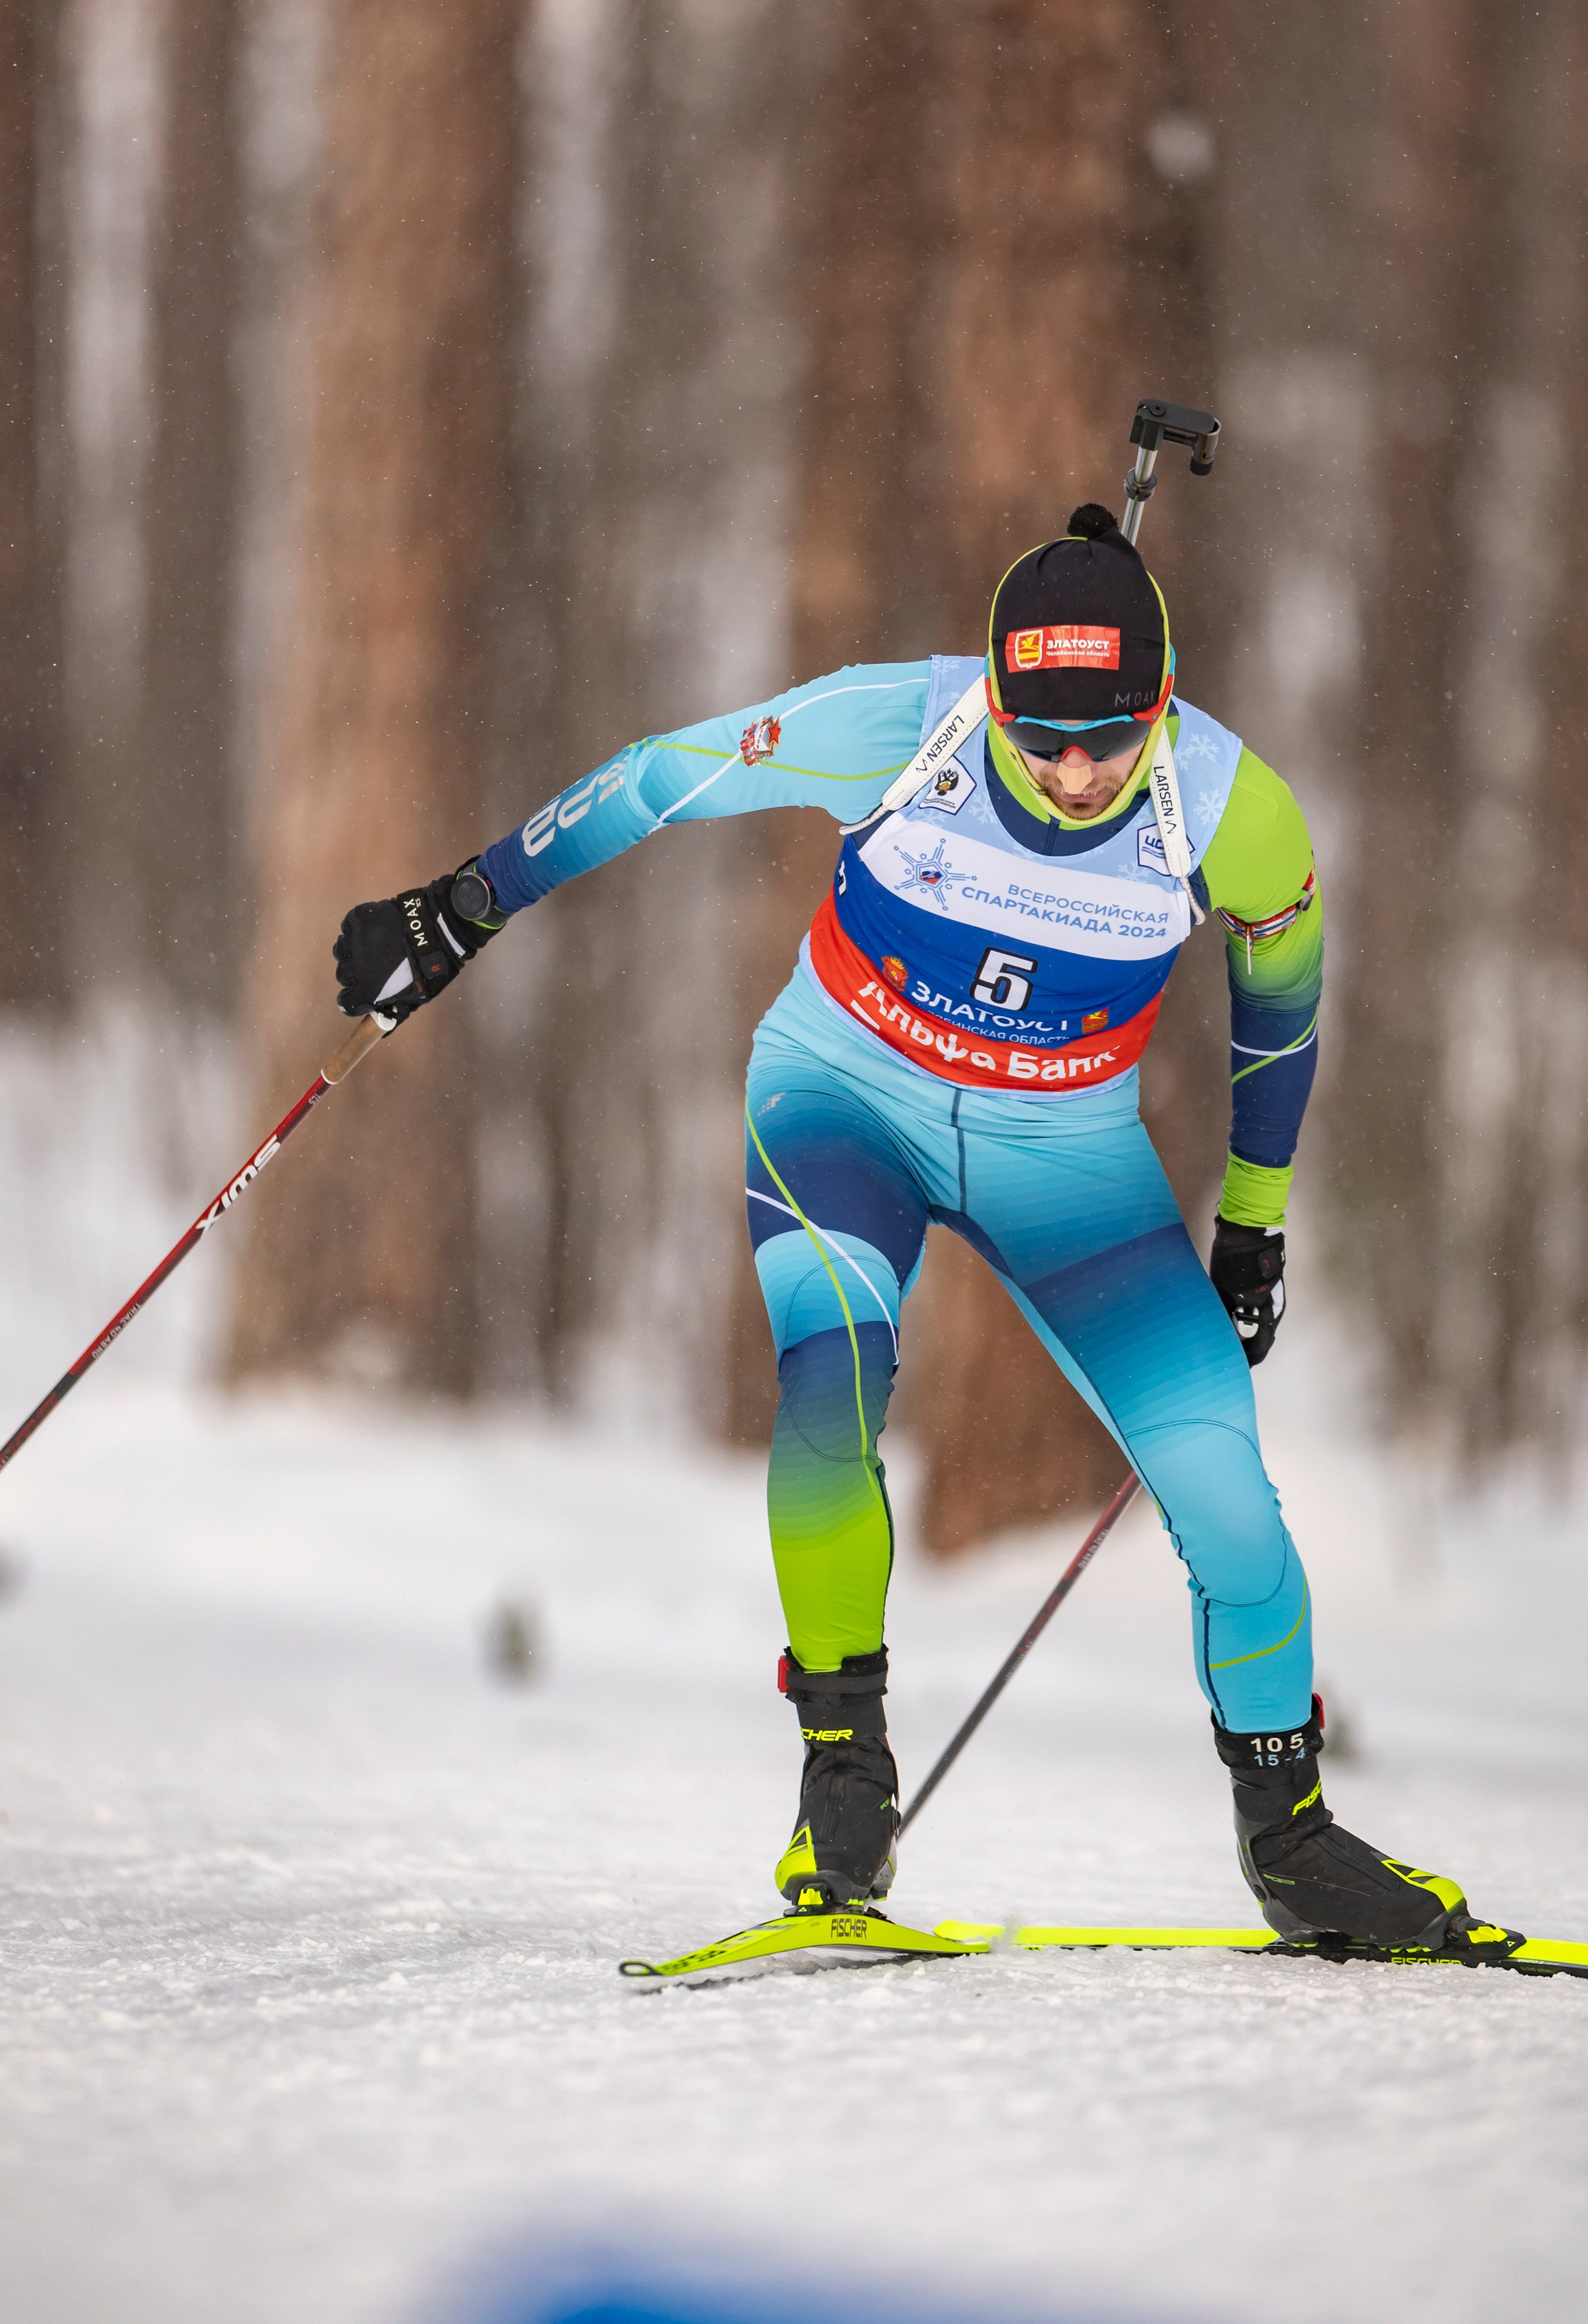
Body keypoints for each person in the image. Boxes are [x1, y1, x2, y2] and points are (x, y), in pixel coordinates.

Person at [333, 502, 1484, 1953]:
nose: (1074, 773)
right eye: (1041, 736)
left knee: (1229, 1503)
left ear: (1164, 702)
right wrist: (461, 907)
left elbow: (1280, 1013)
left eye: (1109, 739)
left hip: (1064, 1160)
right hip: (840, 1102)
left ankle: (1293, 1845)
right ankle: (844, 1774)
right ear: (993, 695)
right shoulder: (903, 726)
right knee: (831, 1389)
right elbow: (659, 780)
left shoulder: (1229, 809)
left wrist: (1250, 1226)